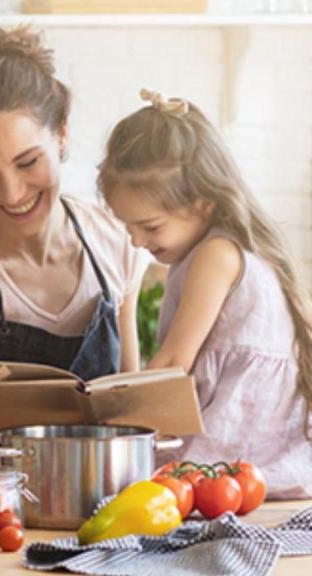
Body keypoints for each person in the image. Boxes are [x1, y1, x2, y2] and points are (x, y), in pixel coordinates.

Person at [0, 26, 147, 467]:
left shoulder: (117, 240)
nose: (12, 192)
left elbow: (130, 417)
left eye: (27, 162)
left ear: (62, 135)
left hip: (112, 510)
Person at [98, 89, 312, 498]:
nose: (137, 240)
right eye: (128, 227)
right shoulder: (217, 248)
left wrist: (122, 424)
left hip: (237, 448)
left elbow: (175, 361)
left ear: (203, 204)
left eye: (150, 226)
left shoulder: (216, 254)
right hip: (250, 447)